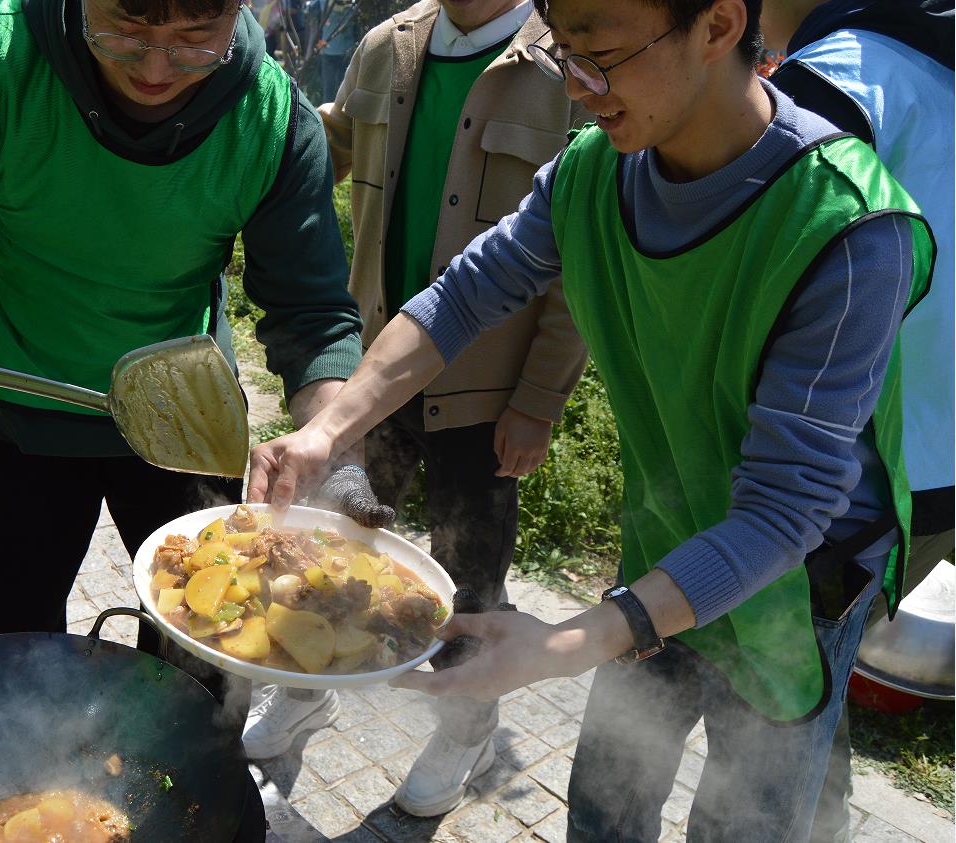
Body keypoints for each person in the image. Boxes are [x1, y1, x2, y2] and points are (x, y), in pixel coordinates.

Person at [247, 0, 935, 837]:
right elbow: (463, 296)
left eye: (599, 54)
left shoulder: (851, 228)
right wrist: (326, 430)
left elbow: (785, 511)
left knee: (747, 819)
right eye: (563, 54)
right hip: (665, 534)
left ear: (717, 25)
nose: (578, 86)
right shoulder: (594, 170)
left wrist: (563, 642)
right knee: (608, 802)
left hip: (797, 582)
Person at [0, 0, 386, 709]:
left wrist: (332, 444)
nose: (155, 69)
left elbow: (311, 316)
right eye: (123, 32)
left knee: (202, 661)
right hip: (17, 418)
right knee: (1, 664)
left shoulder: (270, 117)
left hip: (187, 431)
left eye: (195, 38)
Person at [241, 0, 589, 819]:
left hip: (485, 389)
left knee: (467, 581)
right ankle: (308, 681)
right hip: (375, 366)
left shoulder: (564, 68)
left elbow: (578, 257)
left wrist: (539, 399)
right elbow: (316, 144)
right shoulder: (383, 47)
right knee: (338, 540)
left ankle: (464, 725)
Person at [757, 2, 954, 839]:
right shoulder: (934, 69)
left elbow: (762, 264)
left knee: (771, 712)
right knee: (816, 693)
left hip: (841, 471)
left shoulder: (845, 75)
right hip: (933, 479)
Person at [309, 0, 356, 102]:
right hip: (328, 51)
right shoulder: (321, 3)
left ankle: (342, 115)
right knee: (329, 88)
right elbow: (314, 23)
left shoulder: (353, 3)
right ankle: (327, 116)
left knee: (344, 87)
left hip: (346, 51)